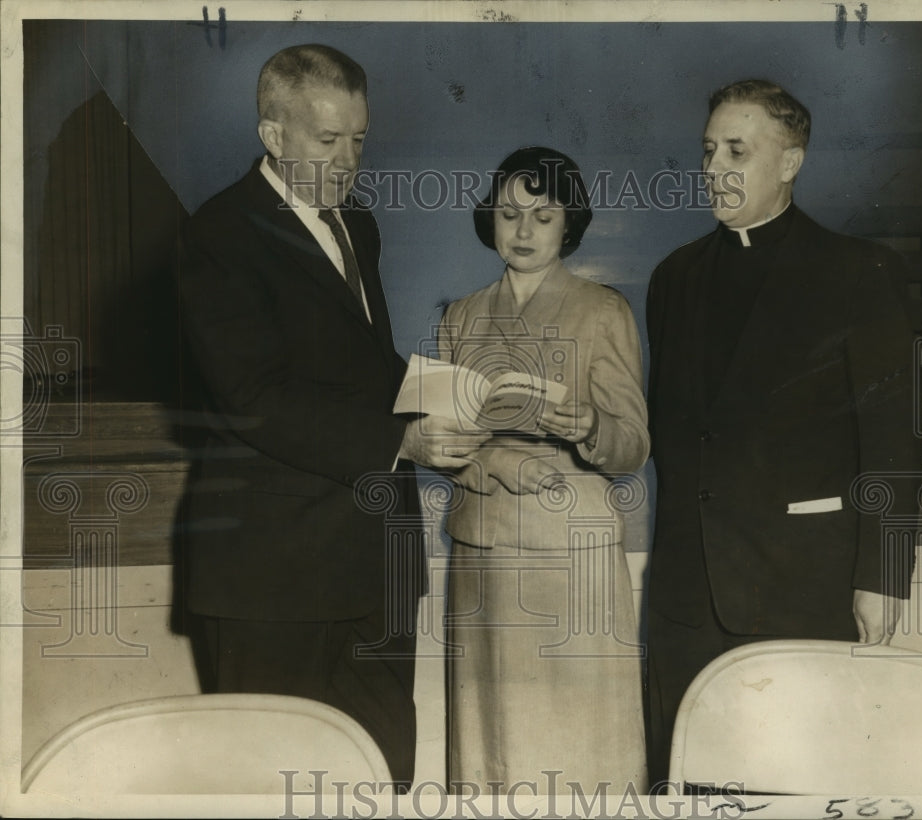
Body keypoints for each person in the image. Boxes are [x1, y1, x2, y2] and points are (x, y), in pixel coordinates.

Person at [173, 43, 484, 788]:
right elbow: (252, 398)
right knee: (269, 783)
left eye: (359, 138)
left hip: (375, 562)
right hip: (273, 576)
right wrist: (401, 439)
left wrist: (456, 398)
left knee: (383, 776)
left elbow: (353, 370)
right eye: (327, 139)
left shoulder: (356, 224)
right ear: (273, 136)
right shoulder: (217, 234)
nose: (348, 159)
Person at [643, 79, 922, 787]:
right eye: (708, 150)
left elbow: (895, 438)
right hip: (686, 602)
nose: (714, 167)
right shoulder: (672, 279)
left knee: (799, 783)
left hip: (803, 590)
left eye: (737, 150)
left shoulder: (859, 273)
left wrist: (883, 578)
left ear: (791, 163)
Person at [439, 146, 650, 794]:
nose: (523, 231)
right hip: (484, 552)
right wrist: (494, 460)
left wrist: (591, 427)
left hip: (573, 554)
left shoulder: (601, 310)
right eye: (509, 214)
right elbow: (438, 440)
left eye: (543, 214)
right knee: (493, 741)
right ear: (490, 221)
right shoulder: (461, 317)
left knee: (580, 741)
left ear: (569, 223)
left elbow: (634, 443)